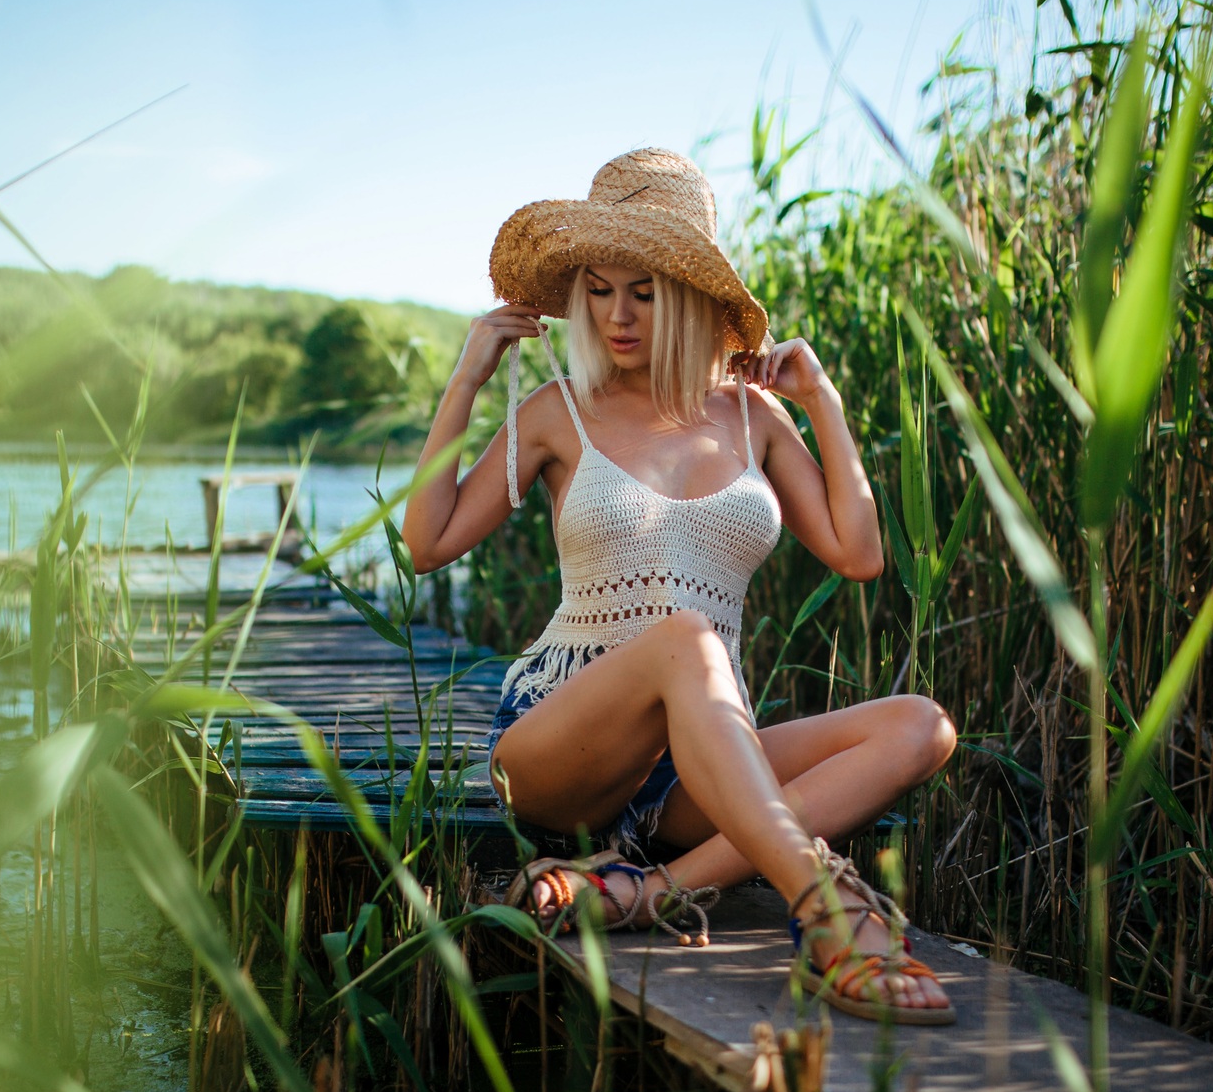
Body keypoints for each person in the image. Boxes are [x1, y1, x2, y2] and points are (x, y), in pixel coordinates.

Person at [400, 149, 957, 1023]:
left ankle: (649, 890)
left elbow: (859, 553)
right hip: (561, 745)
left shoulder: (752, 416)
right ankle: (828, 907)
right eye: (598, 288)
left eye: (645, 291)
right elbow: (426, 542)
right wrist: (467, 378)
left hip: (692, 767)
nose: (616, 316)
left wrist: (824, 404)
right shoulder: (561, 409)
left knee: (922, 726)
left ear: (691, 294)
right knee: (687, 639)